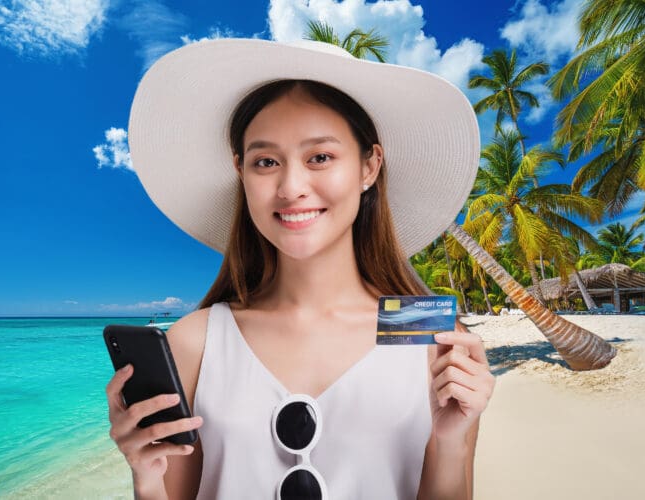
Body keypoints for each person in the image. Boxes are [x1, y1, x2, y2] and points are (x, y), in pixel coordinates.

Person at [106, 38, 495, 499]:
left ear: (369, 166)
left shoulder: (425, 330)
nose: (291, 187)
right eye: (266, 161)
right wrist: (145, 477)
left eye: (320, 157)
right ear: (241, 172)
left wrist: (452, 443)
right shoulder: (196, 340)